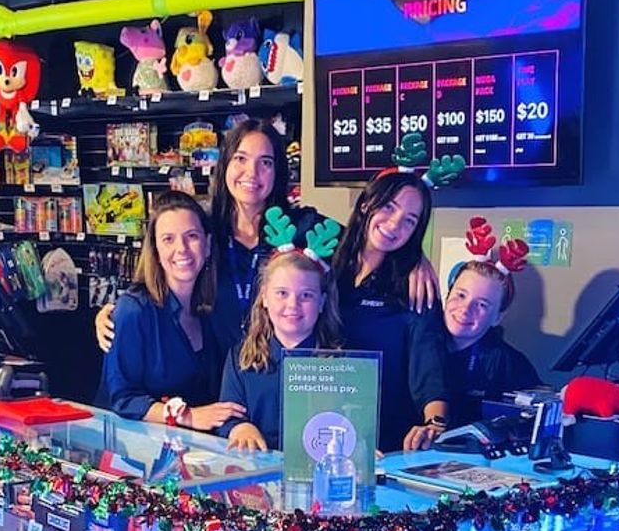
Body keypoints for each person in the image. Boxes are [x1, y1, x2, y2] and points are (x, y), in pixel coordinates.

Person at [94, 119, 441, 354]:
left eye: (266, 163)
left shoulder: (304, 227)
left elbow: (369, 239)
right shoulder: (204, 229)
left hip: (282, 380)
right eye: (241, 159)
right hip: (214, 383)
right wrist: (119, 310)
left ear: (278, 172)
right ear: (225, 165)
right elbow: (163, 266)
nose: (251, 173)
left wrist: (415, 259)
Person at [99, 191, 245, 429]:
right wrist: (188, 416)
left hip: (195, 452)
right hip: (135, 453)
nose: (182, 248)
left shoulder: (212, 309)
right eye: (168, 239)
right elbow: (123, 398)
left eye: (192, 236)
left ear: (207, 246)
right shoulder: (134, 311)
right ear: (155, 251)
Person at [331, 171, 449, 452]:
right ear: (366, 204)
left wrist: (435, 425)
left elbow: (430, 370)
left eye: (410, 221)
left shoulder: (416, 287)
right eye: (388, 207)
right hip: (319, 429)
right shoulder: (325, 261)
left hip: (386, 443)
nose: (395, 225)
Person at [217, 231, 344, 452]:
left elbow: (353, 424)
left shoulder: (343, 364)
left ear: (322, 302)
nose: (293, 305)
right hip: (258, 474)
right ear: (264, 297)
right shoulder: (241, 358)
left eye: (306, 295)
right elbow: (229, 416)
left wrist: (359, 444)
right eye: (282, 293)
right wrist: (241, 427)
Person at [442, 249, 541, 428]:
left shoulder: (510, 364)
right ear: (447, 295)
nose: (465, 309)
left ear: (497, 317)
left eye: (482, 304)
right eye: (461, 295)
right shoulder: (417, 342)